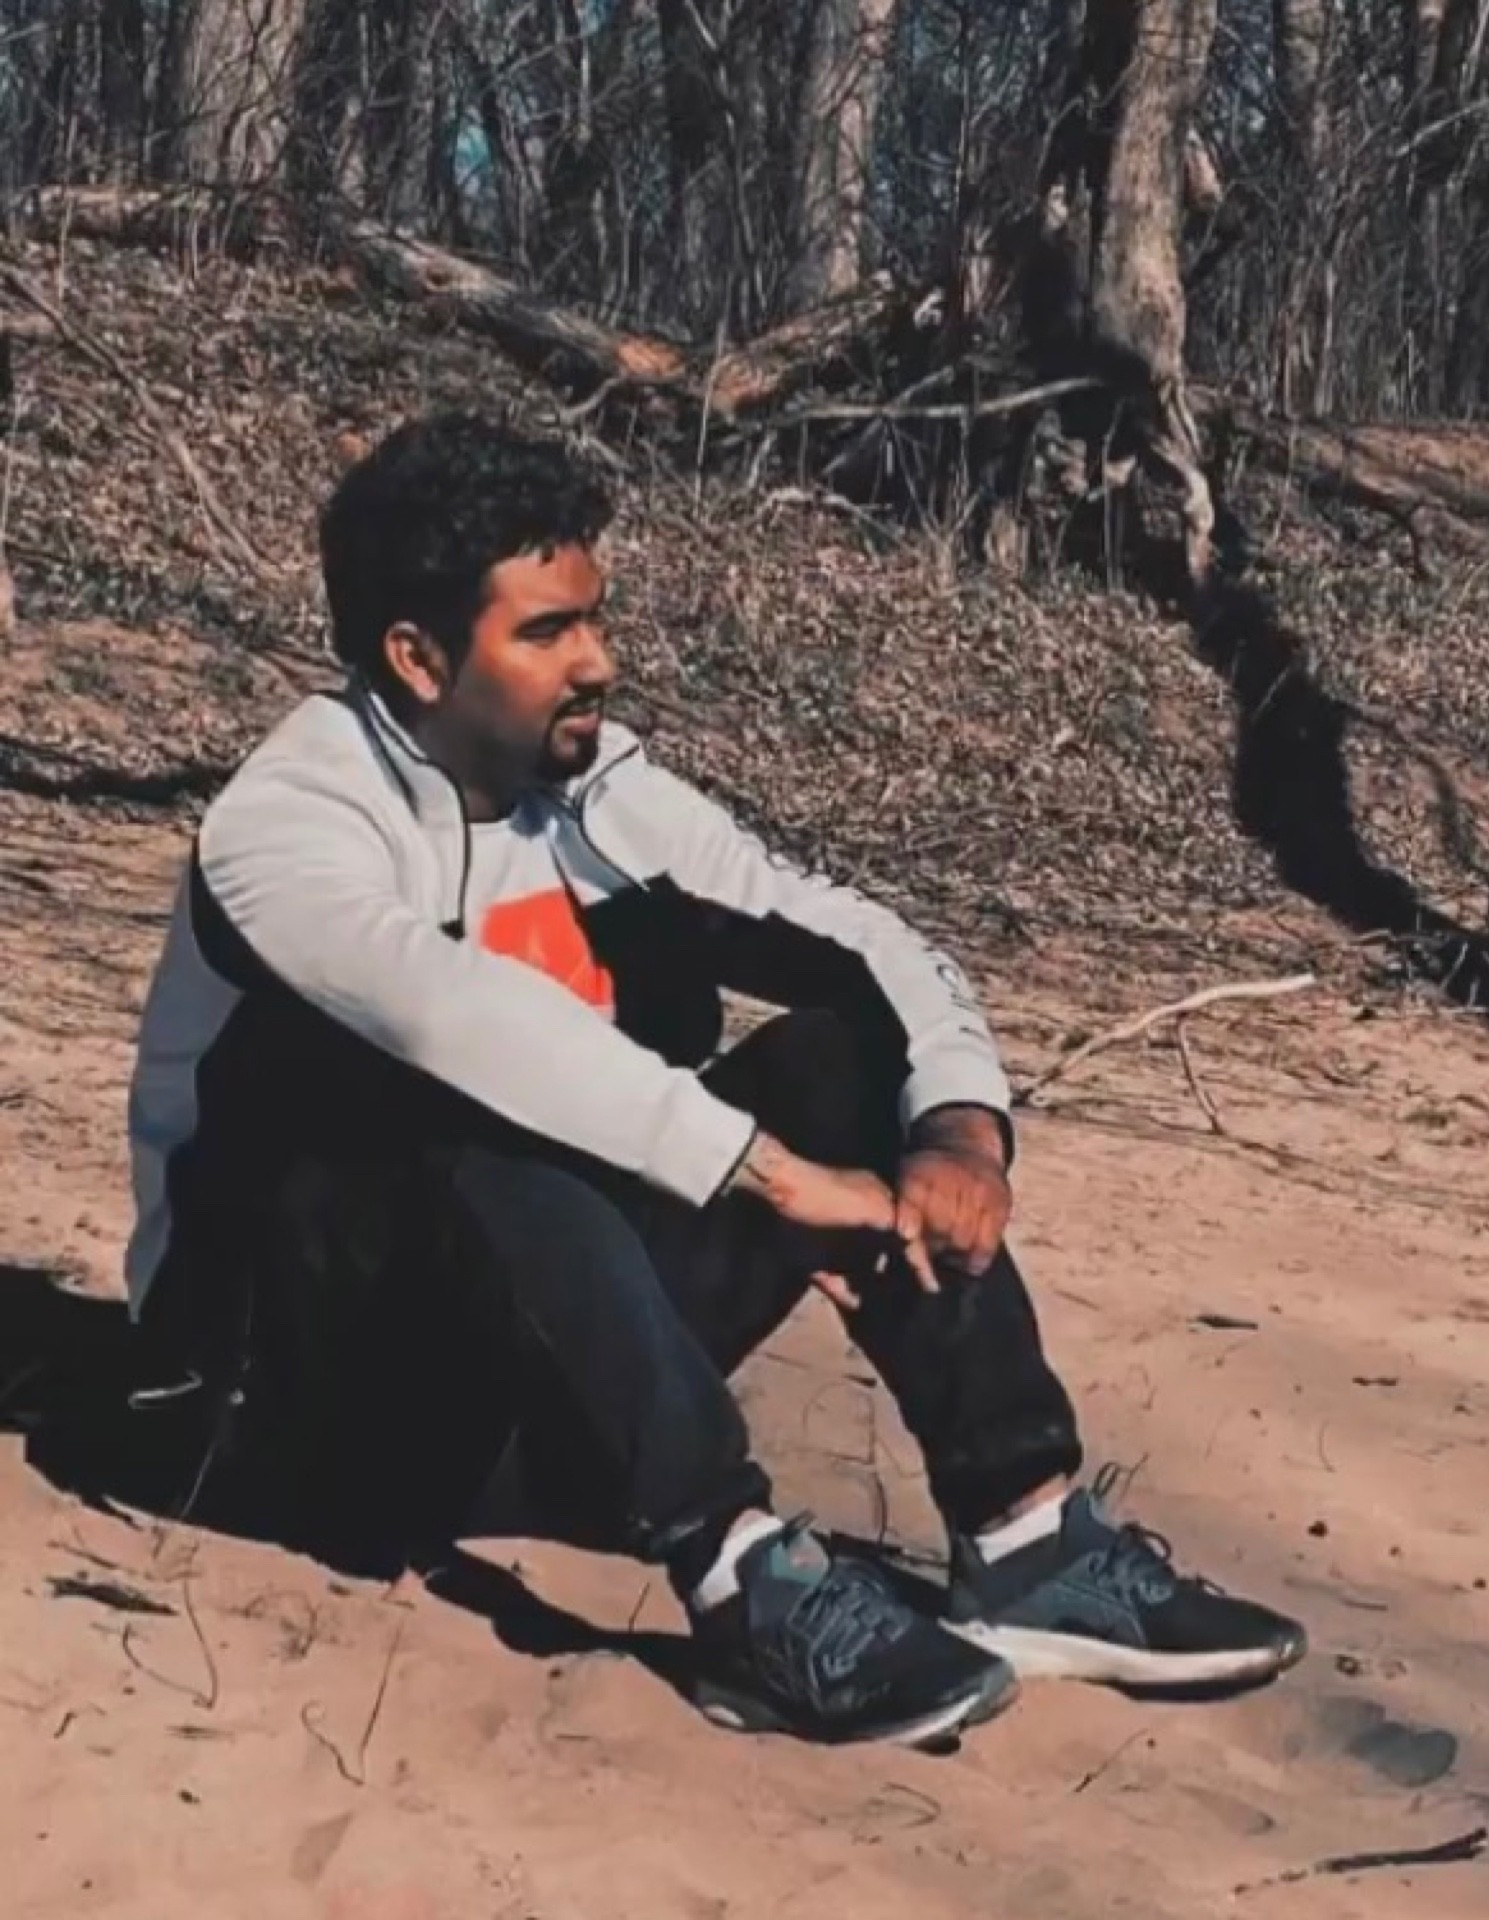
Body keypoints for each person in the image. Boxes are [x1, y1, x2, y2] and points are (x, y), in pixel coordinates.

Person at [124, 413, 1306, 1749]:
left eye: (595, 618)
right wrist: (776, 1179)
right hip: (294, 1414)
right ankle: (742, 1579)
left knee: (840, 1059)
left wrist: (960, 1135)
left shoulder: (588, 794)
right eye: (547, 631)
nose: (599, 661)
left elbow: (857, 938)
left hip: (553, 1388)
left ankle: (1025, 1538)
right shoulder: (287, 823)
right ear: (416, 655)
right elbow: (458, 1021)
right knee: (462, 1112)